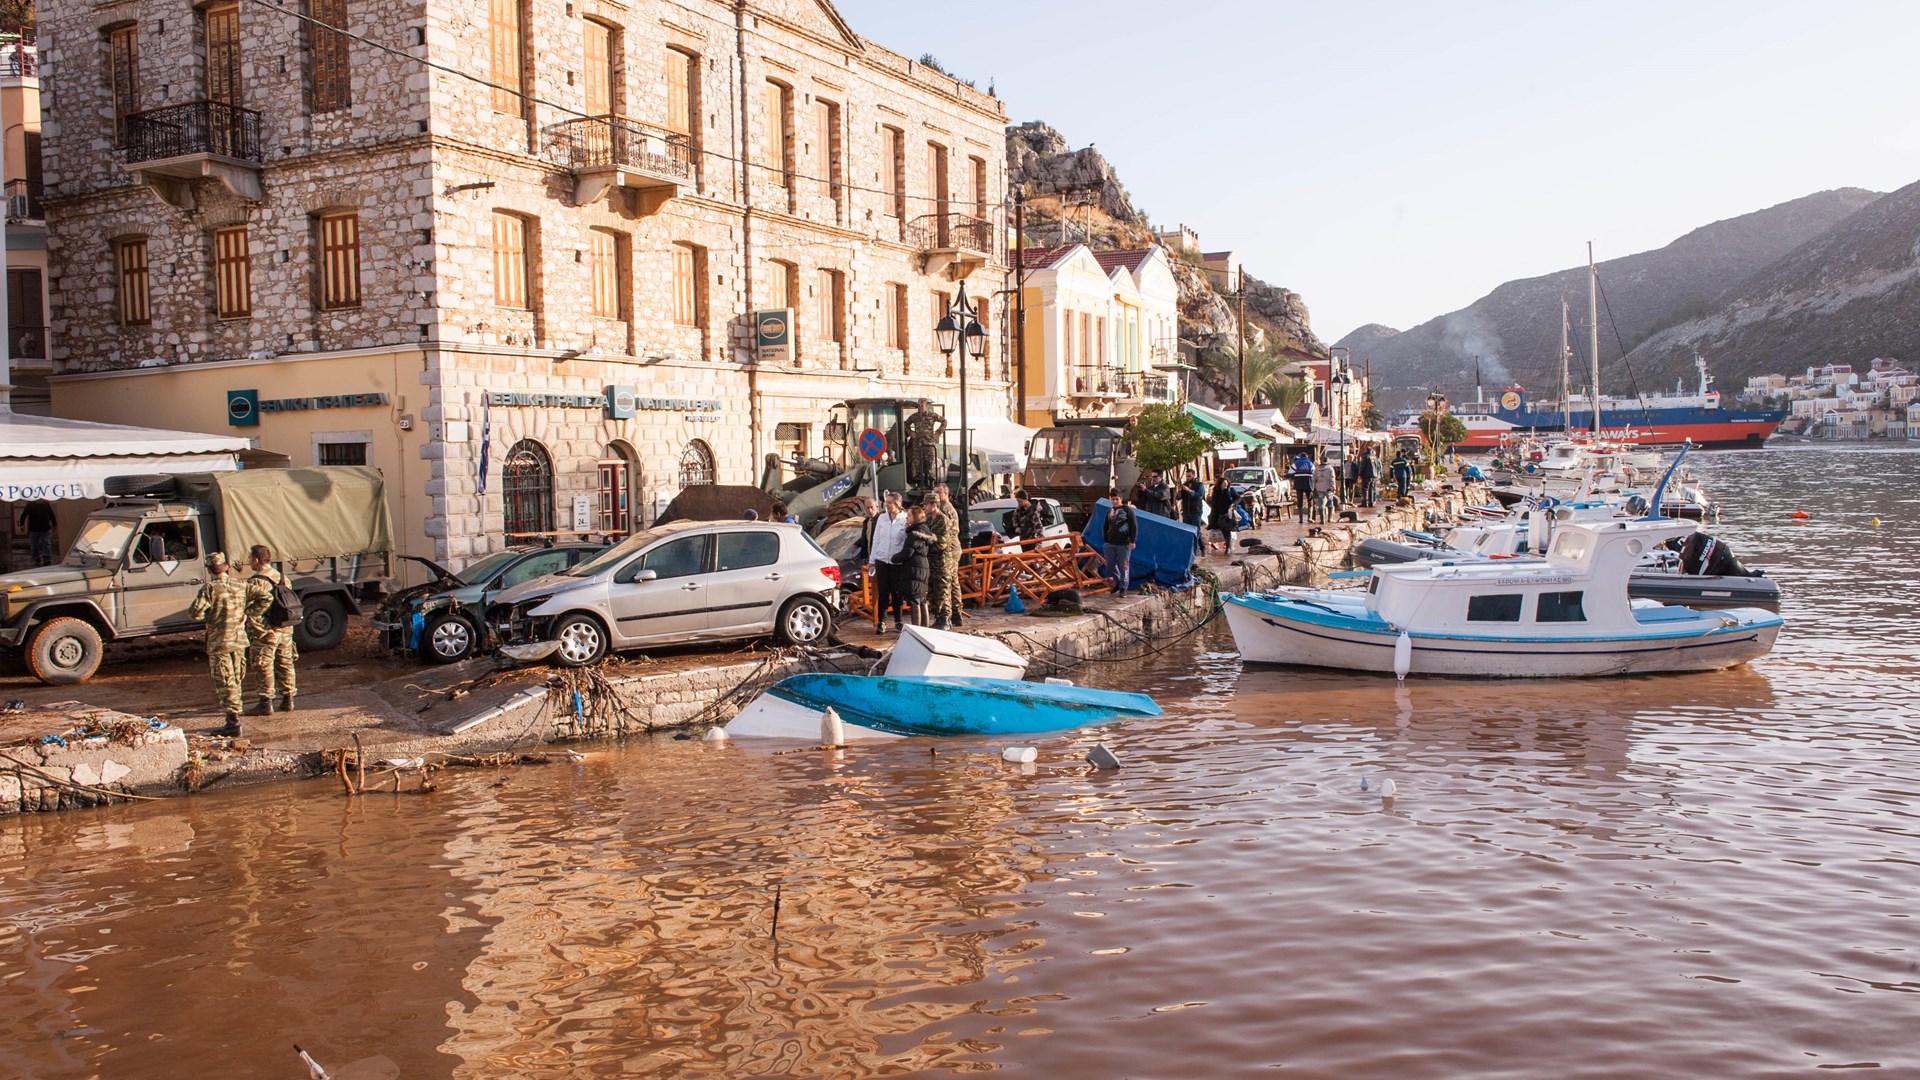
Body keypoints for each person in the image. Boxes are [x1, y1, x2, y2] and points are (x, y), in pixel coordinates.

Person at [189, 551, 250, 736]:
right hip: (239, 639)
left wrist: (212, 616)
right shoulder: (241, 585)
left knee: (225, 680)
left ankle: (233, 722)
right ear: (226, 567)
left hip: (220, 640)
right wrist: (244, 617)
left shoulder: (210, 588)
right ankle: (235, 717)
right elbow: (264, 599)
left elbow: (195, 613)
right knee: (237, 677)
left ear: (209, 569)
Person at [244, 544, 299, 716]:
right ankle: (288, 699)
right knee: (286, 663)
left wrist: (260, 630)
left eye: (250, 559)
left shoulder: (256, 581)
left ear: (256, 560)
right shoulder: (283, 577)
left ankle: (265, 702)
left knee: (264, 665)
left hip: (268, 631)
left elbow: (253, 609)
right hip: (285, 628)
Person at [866, 492, 909, 633]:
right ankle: (882, 622)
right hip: (882, 560)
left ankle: (898, 621)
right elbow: (876, 539)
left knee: (897, 593)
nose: (887, 505)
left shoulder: (905, 519)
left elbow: (906, 541)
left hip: (897, 562)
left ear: (897, 504)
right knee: (883, 592)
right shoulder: (882, 519)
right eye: (886, 502)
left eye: (890, 502)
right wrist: (872, 560)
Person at [929, 482, 963, 627]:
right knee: (953, 582)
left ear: (945, 494)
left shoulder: (945, 510)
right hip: (951, 548)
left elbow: (947, 533)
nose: (935, 495)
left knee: (945, 583)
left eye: (937, 492)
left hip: (949, 549)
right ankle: (956, 613)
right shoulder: (944, 509)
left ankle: (947, 615)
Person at [922, 492, 956, 629]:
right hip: (931, 561)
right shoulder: (929, 520)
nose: (924, 507)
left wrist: (927, 542)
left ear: (934, 505)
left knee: (943, 590)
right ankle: (937, 616)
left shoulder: (943, 520)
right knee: (933, 590)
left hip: (942, 562)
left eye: (926, 504)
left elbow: (942, 543)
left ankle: (945, 618)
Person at [899, 505, 936, 627]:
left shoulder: (914, 534)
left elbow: (906, 553)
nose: (906, 518)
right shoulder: (924, 530)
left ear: (915, 517)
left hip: (914, 569)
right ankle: (925, 629)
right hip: (923, 567)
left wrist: (893, 558)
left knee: (915, 599)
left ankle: (917, 630)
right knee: (921, 598)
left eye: (909, 515)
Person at [1101, 489, 1137, 593]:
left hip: (1124, 543)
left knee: (1124, 566)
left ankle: (1123, 587)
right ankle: (1117, 581)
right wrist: (1105, 539)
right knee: (1110, 564)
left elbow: (1133, 525)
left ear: (1121, 499)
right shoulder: (1110, 511)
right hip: (1110, 543)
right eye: (1113, 499)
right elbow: (1105, 525)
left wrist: (1132, 540)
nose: (1115, 501)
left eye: (1117, 499)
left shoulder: (1127, 510)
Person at [22, 500, 55, 566]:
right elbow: (24, 514)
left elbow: (51, 514)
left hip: (45, 528)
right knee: (34, 545)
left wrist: (54, 524)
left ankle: (46, 558)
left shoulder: (46, 504)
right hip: (33, 528)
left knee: (46, 542)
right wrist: (21, 524)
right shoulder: (30, 504)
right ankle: (36, 558)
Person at [1209, 477, 1237, 554]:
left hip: (1228, 514)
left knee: (1227, 531)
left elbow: (1238, 498)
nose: (1225, 485)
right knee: (1218, 530)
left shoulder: (1231, 491)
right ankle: (1220, 544)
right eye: (1224, 483)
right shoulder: (1216, 491)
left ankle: (1228, 547)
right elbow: (1214, 503)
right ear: (1220, 484)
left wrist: (1233, 504)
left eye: (1226, 483)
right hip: (1218, 514)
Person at [1288, 451, 1315, 523]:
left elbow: (1290, 473)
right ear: (1307, 457)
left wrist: (1295, 476)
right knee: (1310, 500)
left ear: (1300, 457)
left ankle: (1301, 519)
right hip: (1308, 483)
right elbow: (1314, 472)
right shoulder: (1310, 463)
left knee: (1300, 500)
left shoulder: (1296, 463)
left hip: (1298, 483)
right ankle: (1309, 518)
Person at [1312, 460, 1337, 524]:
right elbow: (1332, 478)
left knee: (1321, 502)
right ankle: (1330, 518)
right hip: (1328, 488)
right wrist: (1333, 487)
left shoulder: (1317, 469)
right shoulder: (1330, 468)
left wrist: (1314, 487)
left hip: (1319, 488)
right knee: (1330, 501)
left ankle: (1322, 520)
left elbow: (1313, 479)